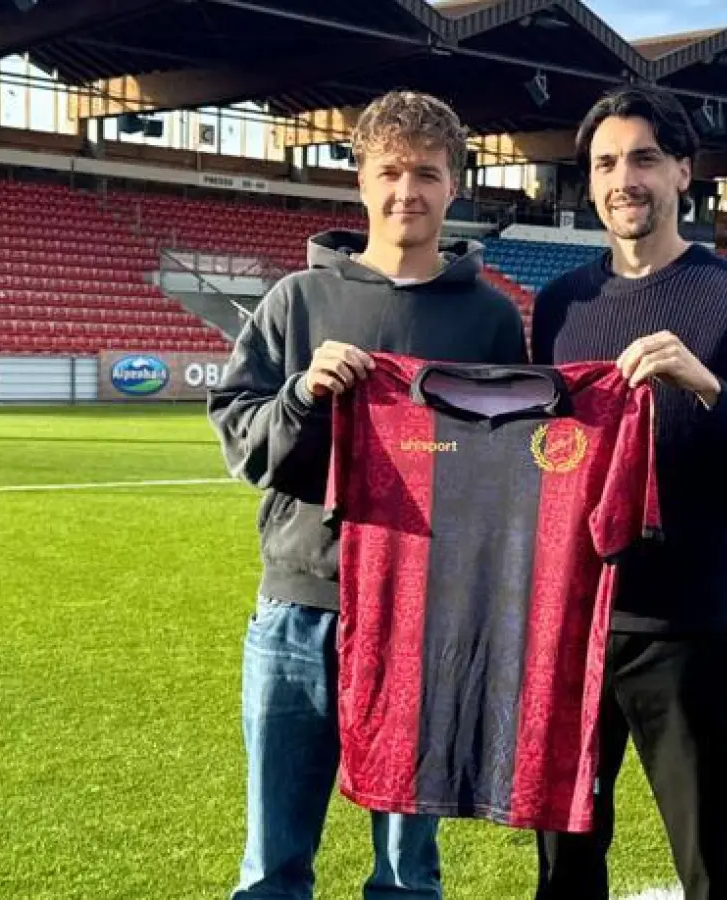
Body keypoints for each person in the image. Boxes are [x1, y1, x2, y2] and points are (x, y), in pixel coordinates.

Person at [207, 90, 527, 900]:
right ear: (360, 181)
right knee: (273, 866)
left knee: (407, 874)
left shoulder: (491, 320)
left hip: (425, 618)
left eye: (426, 174)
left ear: (455, 186)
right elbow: (242, 441)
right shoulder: (296, 300)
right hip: (299, 610)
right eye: (389, 172)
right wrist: (302, 395)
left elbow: (508, 474)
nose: (405, 192)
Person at [528, 85, 727, 900]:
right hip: (574, 628)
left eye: (645, 159)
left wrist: (706, 385)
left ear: (683, 171)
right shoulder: (559, 306)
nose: (624, 179)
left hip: (689, 633)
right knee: (563, 872)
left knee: (714, 872)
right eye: (606, 164)